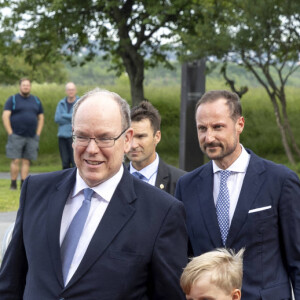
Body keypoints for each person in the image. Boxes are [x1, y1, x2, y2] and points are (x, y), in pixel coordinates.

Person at [0, 88, 188, 299]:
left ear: (127, 140)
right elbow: (10, 284)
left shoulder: (161, 213)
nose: (91, 149)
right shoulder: (36, 190)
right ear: (72, 135)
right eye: (82, 136)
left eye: (104, 138)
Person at [175, 90, 300, 299]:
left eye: (218, 127)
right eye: (202, 128)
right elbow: (182, 261)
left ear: (239, 124)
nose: (209, 137)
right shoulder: (186, 186)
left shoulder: (280, 181)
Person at [126, 100, 186, 196]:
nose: (133, 145)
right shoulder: (113, 179)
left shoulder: (181, 182)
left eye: (141, 136)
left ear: (157, 137)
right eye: (128, 137)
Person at [2, 78, 44, 190]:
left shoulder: (36, 100)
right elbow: (5, 116)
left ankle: (23, 184)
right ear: (20, 86)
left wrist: (38, 133)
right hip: (16, 135)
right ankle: (13, 184)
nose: (26, 87)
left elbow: (41, 117)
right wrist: (10, 132)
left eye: (28, 85)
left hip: (31, 136)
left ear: (30, 87)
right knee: (15, 160)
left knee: (26, 160)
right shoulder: (13, 99)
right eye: (24, 85)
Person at [55, 82, 79, 169]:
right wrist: (71, 117)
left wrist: (64, 115)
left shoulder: (80, 102)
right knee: (65, 162)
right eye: (69, 90)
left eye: (72, 90)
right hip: (62, 136)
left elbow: (78, 118)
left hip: (75, 136)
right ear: (66, 91)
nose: (71, 91)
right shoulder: (61, 103)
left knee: (75, 161)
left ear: (75, 90)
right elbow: (57, 119)